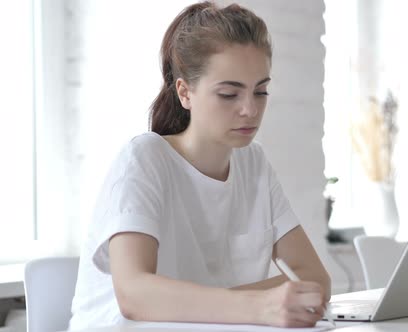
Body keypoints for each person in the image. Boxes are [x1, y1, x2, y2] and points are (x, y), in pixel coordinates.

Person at [69, 2, 331, 329]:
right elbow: (134, 295)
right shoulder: (144, 158)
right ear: (185, 92)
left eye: (261, 91)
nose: (250, 109)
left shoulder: (254, 164)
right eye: (228, 94)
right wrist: (258, 305)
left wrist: (222, 307)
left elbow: (315, 278)